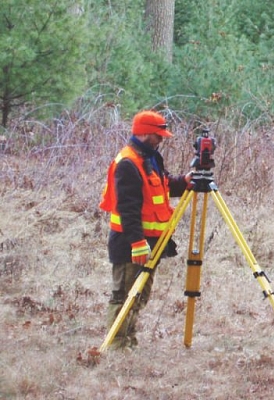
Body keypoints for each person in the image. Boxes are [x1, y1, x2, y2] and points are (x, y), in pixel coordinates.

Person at [99, 110, 192, 351]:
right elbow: (127, 208)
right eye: (157, 135)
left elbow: (163, 185)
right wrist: (137, 242)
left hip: (152, 241)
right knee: (125, 296)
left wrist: (185, 181)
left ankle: (129, 340)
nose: (161, 140)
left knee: (139, 296)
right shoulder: (128, 163)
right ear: (143, 133)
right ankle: (117, 346)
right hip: (131, 243)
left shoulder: (150, 158)